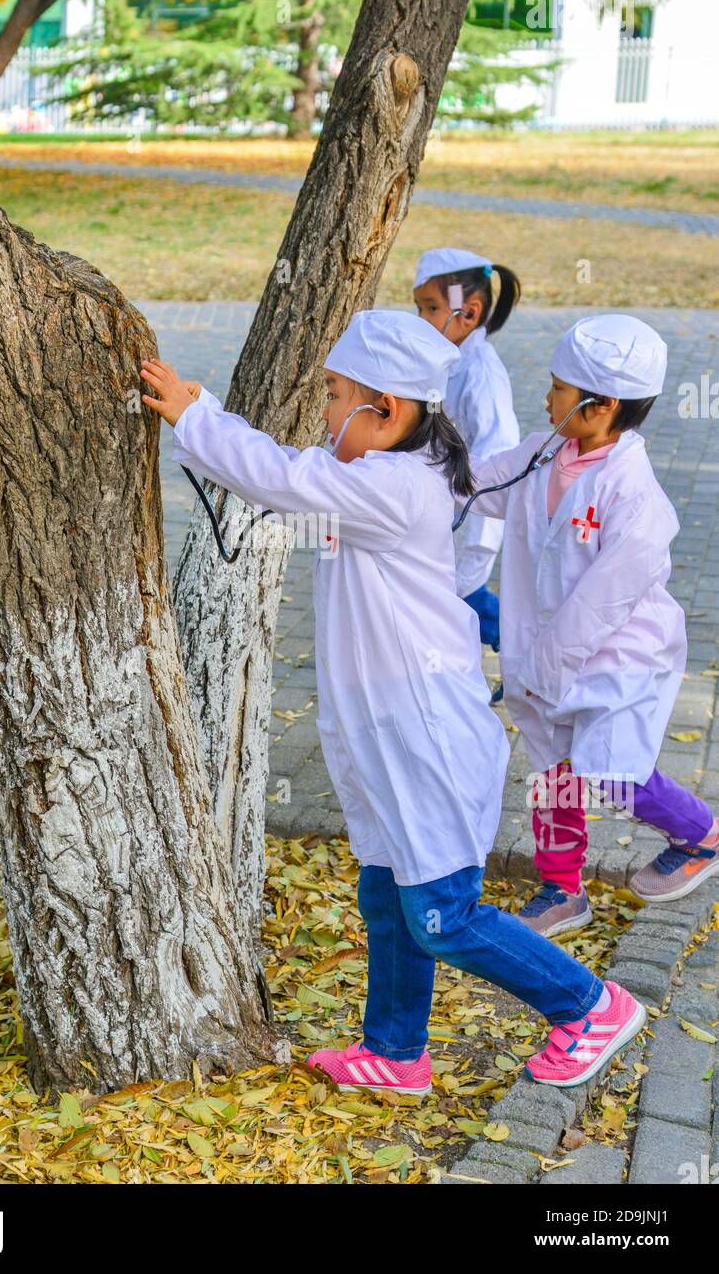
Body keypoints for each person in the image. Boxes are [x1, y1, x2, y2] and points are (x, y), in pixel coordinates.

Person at [139, 310, 646, 1093]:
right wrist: (215, 425)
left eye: (336, 394)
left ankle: (589, 1005)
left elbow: (288, 478)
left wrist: (196, 416)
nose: (324, 410)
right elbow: (297, 473)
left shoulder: (395, 488)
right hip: (385, 730)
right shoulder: (389, 473)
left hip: (423, 736)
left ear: (387, 410)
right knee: (386, 892)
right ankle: (397, 1052)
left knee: (442, 914)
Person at [466, 314, 719, 937]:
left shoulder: (636, 498)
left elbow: (600, 606)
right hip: (546, 652)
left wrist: (540, 670)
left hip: (622, 656)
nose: (546, 397)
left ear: (601, 405)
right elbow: (477, 483)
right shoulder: (543, 452)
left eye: (557, 388)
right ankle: (561, 890)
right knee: (553, 770)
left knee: (610, 770)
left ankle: (702, 833)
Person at [413, 247, 521, 672]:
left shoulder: (482, 373)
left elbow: (499, 450)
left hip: (474, 515)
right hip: (452, 508)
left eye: (432, 308)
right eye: (419, 306)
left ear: (469, 313)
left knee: (462, 597)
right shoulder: (450, 360)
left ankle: (520, 655)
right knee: (455, 596)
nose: (422, 318)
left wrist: (451, 483)